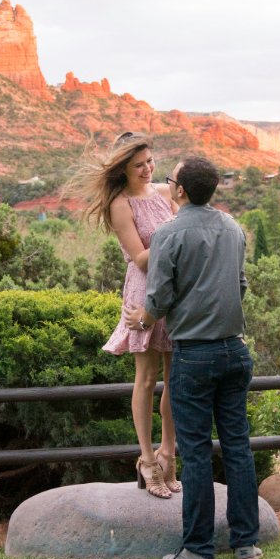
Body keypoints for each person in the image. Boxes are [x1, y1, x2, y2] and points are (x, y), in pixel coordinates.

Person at [124, 156, 262, 559]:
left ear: (180, 190)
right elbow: (239, 285)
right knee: (238, 447)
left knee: (197, 452)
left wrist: (141, 319)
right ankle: (246, 545)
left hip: (194, 354)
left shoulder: (168, 234)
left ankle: (199, 549)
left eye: (169, 181)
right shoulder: (233, 228)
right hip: (235, 351)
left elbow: (160, 294)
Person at [68, 133, 180, 499]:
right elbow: (140, 257)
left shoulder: (165, 194)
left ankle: (168, 454)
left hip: (174, 293)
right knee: (147, 378)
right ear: (123, 169)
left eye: (150, 160)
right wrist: (174, 231)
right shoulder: (120, 204)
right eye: (139, 165)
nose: (148, 169)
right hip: (144, 292)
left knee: (175, 379)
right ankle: (146, 459)